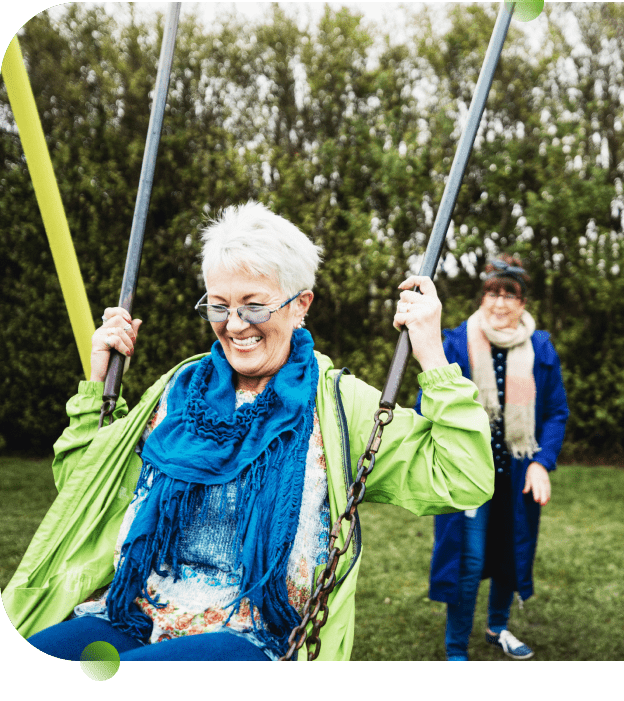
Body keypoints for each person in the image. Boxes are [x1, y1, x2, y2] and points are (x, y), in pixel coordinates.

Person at [4, 202, 494, 662]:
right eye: (218, 306)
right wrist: (97, 383)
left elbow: (462, 477)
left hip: (253, 630)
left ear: (300, 305)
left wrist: (431, 352)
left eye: (253, 306)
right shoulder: (180, 392)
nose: (235, 325)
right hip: (140, 610)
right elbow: (82, 488)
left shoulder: (340, 404)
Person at [415, 255, 568, 661]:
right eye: (493, 293)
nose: (501, 303)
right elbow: (427, 399)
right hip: (467, 473)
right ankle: (455, 649)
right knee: (469, 559)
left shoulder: (540, 347)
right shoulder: (455, 342)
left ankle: (497, 627)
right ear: (483, 297)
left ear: (522, 302)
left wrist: (541, 462)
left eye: (510, 295)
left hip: (517, 472)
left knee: (508, 554)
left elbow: (555, 412)